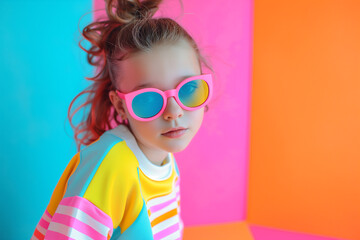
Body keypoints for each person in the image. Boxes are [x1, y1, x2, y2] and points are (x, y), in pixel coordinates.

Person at [31, 0, 214, 239]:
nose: (174, 112)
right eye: (149, 100)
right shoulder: (112, 166)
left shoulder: (162, 156)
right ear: (121, 106)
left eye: (189, 90)